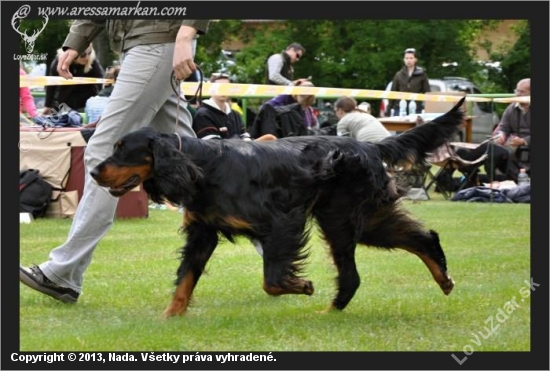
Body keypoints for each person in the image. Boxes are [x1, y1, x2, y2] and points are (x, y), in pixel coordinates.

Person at [19, 19, 210, 303]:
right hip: (142, 43)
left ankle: (63, 273)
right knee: (195, 159)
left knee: (104, 150)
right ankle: (268, 239)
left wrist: (186, 35)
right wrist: (76, 41)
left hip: (156, 42)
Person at [456, 78, 531, 182]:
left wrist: (523, 141)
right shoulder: (511, 108)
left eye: (522, 92)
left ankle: (469, 171)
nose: (517, 94)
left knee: (490, 151)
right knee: (488, 148)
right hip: (514, 153)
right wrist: (501, 136)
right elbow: (504, 127)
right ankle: (467, 169)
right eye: (516, 91)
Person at [43, 45, 105, 114]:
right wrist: (47, 105)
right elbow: (51, 85)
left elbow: (100, 81)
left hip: (85, 102)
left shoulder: (92, 60)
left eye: (89, 53)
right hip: (64, 103)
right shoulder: (59, 61)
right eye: (83, 55)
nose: (87, 57)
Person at [192, 73, 251, 140]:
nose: (223, 90)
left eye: (226, 87)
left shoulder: (235, 114)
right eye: (219, 87)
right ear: (211, 89)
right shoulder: (203, 115)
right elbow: (213, 145)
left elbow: (245, 137)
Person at [387, 47, 431, 116]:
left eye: (411, 58)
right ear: (404, 60)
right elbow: (393, 92)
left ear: (415, 59)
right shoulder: (399, 75)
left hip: (416, 108)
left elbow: (427, 92)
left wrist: (427, 108)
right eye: (406, 58)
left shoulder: (422, 74)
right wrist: (388, 109)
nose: (408, 60)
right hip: (400, 108)